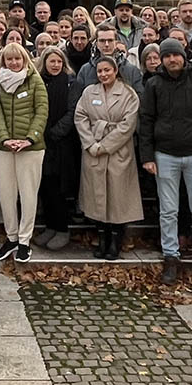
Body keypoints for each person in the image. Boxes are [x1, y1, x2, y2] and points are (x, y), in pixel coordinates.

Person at [138, 38, 192, 287]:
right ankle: (171, 256)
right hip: (165, 155)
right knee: (168, 211)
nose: (171, 60)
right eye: (167, 56)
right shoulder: (154, 85)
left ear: (183, 56)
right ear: (162, 60)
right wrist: (147, 156)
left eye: (175, 55)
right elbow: (146, 121)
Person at [74, 55, 143, 260]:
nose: (103, 74)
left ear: (115, 71)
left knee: (118, 198)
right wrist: (90, 143)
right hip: (92, 150)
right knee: (97, 198)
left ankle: (116, 241)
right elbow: (80, 116)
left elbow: (127, 126)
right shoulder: (89, 92)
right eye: (100, 71)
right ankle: (102, 239)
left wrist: (105, 146)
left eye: (107, 70)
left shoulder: (128, 94)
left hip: (118, 152)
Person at [0, 42, 49, 263]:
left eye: (17, 59)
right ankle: (11, 237)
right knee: (6, 194)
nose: (14, 63)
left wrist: (29, 138)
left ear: (24, 59)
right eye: (9, 59)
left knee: (27, 194)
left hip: (31, 148)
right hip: (5, 147)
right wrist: (5, 138)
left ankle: (25, 240)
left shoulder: (34, 81)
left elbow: (42, 111)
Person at [34, 47, 82, 252]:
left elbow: (73, 112)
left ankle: (62, 228)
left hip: (62, 143)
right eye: (51, 61)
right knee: (46, 186)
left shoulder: (72, 83)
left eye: (58, 62)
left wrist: (55, 132)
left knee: (59, 189)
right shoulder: (39, 82)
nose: (55, 65)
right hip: (42, 142)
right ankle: (50, 226)